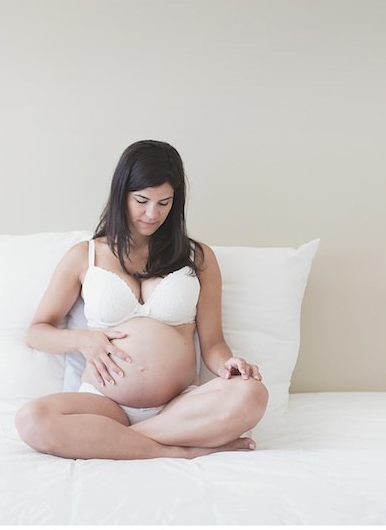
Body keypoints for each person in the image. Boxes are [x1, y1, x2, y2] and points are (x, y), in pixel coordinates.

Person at [15, 140, 268, 459]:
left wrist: (228, 365)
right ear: (121, 194)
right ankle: (180, 450)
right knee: (31, 420)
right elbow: (37, 331)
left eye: (164, 203)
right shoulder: (85, 256)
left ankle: (115, 441)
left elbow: (214, 343)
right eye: (142, 200)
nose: (152, 214)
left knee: (252, 394)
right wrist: (82, 340)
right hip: (103, 403)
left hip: (181, 404)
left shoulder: (198, 257)